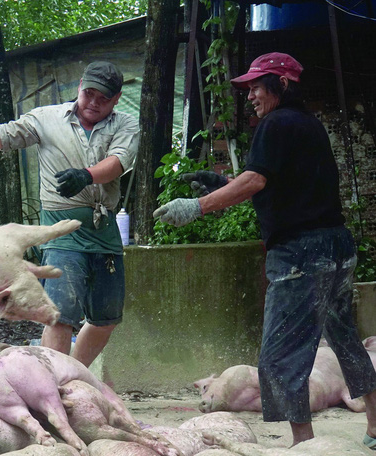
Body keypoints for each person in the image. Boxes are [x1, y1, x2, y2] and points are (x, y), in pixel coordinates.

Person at [153, 52, 376, 448]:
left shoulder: (275, 123)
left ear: (284, 84)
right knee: (344, 340)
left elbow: (255, 180)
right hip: (337, 248)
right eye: (249, 87)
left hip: (301, 256)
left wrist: (198, 206)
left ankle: (304, 445)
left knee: (279, 358)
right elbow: (280, 183)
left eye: (258, 85)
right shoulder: (309, 124)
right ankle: (375, 425)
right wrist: (221, 182)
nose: (251, 95)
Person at [0, 61, 139, 367]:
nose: (93, 102)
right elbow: (2, 136)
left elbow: (118, 162)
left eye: (103, 98)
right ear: (80, 86)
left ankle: (71, 374)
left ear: (116, 99)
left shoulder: (126, 124)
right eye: (89, 93)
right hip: (61, 231)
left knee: (106, 318)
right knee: (59, 314)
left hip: (103, 230)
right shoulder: (46, 118)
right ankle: (53, 380)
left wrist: (86, 176)